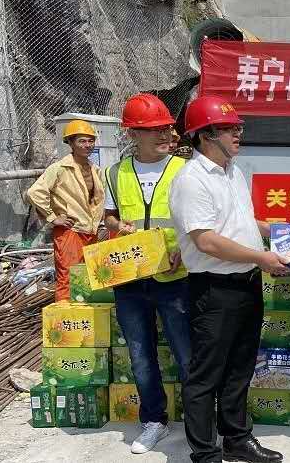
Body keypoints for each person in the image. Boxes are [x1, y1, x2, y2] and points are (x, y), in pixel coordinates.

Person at [169, 95, 289, 463]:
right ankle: (206, 453)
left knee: (240, 368)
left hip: (247, 284)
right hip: (214, 290)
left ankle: (236, 438)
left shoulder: (233, 171)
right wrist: (260, 257)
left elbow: (240, 223)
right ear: (204, 135)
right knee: (205, 375)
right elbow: (206, 240)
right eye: (228, 129)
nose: (238, 134)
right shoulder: (191, 180)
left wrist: (279, 232)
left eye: (238, 127)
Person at [102, 93, 192, 454]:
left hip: (175, 276)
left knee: (187, 353)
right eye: (153, 129)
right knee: (140, 354)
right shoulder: (115, 173)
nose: (164, 134)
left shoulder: (184, 170)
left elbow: (198, 221)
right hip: (131, 278)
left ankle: (199, 421)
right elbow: (109, 217)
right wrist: (117, 226)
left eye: (166, 127)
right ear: (132, 134)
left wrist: (183, 248)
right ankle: (154, 420)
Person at [26, 119, 104, 301]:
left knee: (86, 278)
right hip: (70, 231)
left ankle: (82, 315)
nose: (87, 145)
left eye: (90, 141)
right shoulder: (59, 168)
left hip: (90, 231)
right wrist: (53, 217)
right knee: (68, 279)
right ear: (70, 142)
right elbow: (34, 192)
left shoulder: (96, 170)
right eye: (82, 141)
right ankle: (64, 316)